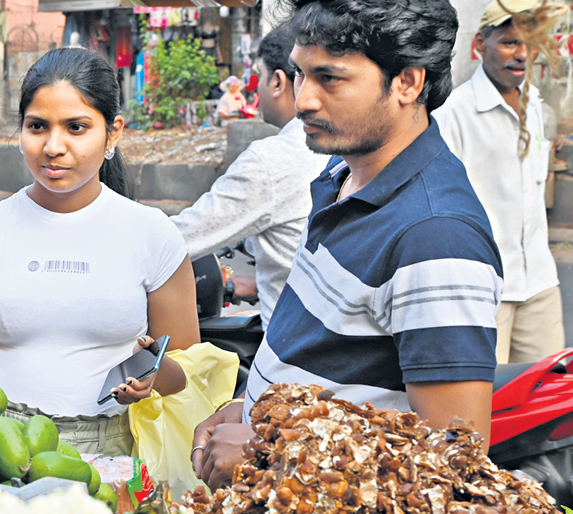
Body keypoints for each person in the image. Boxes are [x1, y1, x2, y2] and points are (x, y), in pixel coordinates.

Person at [191, 0, 503, 488]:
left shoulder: (435, 235)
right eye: (299, 74)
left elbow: (450, 465)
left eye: (329, 78)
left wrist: (267, 448)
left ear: (408, 82)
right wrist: (253, 406)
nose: (304, 101)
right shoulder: (341, 175)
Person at [0, 47, 200, 455]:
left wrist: (154, 375)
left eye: (76, 127)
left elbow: (190, 375)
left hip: (118, 455)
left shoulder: (154, 235)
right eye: (37, 126)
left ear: (113, 132)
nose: (53, 146)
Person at [172, 22, 331, 324]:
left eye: (258, 76)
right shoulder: (357, 148)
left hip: (288, 356)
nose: (253, 88)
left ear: (278, 82)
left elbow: (178, 238)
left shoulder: (272, 160)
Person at [437, 0, 565, 365]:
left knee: (548, 395)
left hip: (539, 281)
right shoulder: (455, 113)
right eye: (509, 42)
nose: (521, 54)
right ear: (480, 45)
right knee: (488, 404)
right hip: (485, 289)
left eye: (527, 44)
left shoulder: (535, 105)